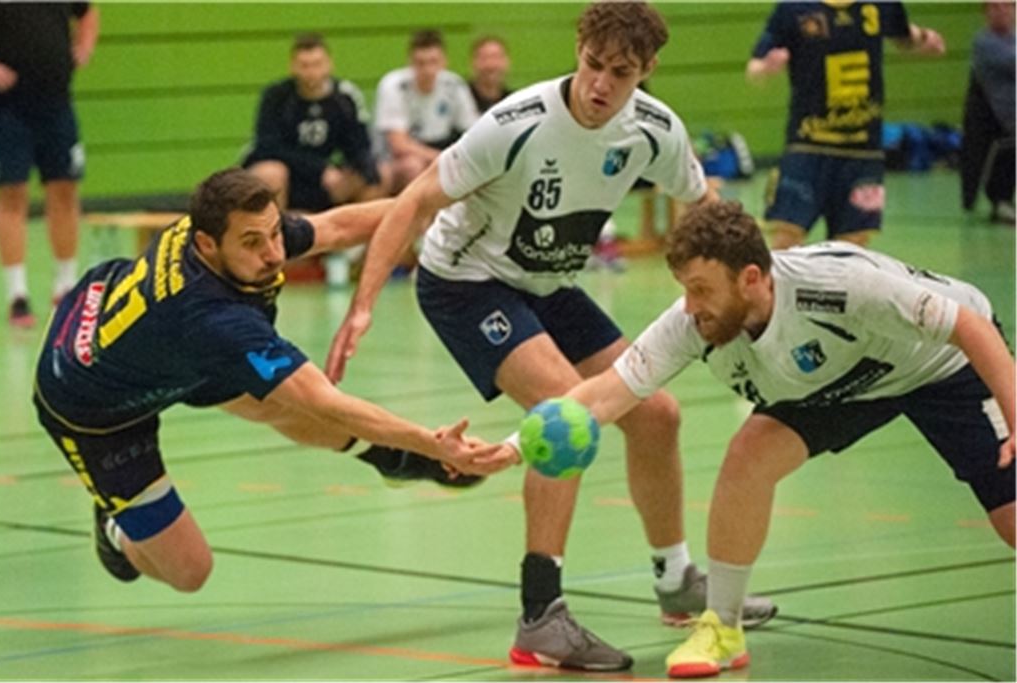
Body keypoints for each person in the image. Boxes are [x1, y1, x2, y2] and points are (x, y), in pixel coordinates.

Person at [328, 2, 775, 671]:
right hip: (466, 282)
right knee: (567, 414)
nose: (600, 85)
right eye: (592, 65)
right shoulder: (517, 124)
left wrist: (741, 287)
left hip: (550, 282)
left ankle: (677, 578)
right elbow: (415, 199)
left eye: (619, 73)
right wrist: (363, 304)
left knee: (655, 413)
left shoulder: (655, 130)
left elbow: (703, 205)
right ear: (578, 50)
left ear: (646, 70)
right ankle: (540, 615)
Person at [558, 199, 1014, 678]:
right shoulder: (696, 318)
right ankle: (723, 629)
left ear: (750, 278)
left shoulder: (840, 288)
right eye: (685, 290)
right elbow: (607, 393)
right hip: (846, 379)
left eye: (700, 289)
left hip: (939, 365)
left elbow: (970, 327)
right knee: (748, 454)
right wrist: (509, 450)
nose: (690, 306)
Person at [32, 168, 515, 593]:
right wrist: (435, 444)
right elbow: (323, 401)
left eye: (273, 235)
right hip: (92, 407)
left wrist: (439, 198)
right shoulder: (212, 320)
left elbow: (338, 226)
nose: (272, 254)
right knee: (189, 572)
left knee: (270, 402)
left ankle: (392, 458)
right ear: (206, 245)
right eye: (252, 243)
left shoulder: (234, 226)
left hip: (139, 335)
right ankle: (116, 527)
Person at [746, 2, 945, 249]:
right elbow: (753, 67)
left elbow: (903, 34)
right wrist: (766, 67)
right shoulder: (793, 9)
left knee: (852, 251)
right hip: (807, 147)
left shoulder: (882, 5)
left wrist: (925, 39)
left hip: (863, 153)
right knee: (786, 241)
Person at [0, 2, 99, 327]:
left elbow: (87, 11)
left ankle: (66, 286)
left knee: (65, 190)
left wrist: (83, 47)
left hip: (56, 104)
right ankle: (18, 295)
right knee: (12, 195)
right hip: (5, 109)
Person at [243, 33, 382, 212]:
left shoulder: (345, 97)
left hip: (327, 181)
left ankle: (361, 235)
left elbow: (359, 144)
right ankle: (276, 232)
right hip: (290, 176)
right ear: (292, 67)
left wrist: (357, 169)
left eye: (317, 65)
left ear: (329, 64)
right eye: (304, 66)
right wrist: (320, 170)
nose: (311, 73)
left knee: (375, 176)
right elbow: (267, 146)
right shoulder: (276, 96)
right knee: (271, 173)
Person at [374, 30, 479, 195]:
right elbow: (399, 145)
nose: (428, 70)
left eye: (433, 62)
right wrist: (441, 159)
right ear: (410, 62)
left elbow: (473, 131)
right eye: (420, 63)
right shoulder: (394, 86)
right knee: (413, 167)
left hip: (440, 148)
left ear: (444, 61)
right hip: (397, 159)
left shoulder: (454, 85)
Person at [960, 1, 1015, 223]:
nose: (1002, 11)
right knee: (1007, 151)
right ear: (985, 12)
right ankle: (1000, 200)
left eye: (1008, 6)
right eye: (995, 6)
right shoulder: (984, 43)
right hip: (1000, 118)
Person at [468, 36, 513, 113]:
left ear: (507, 63)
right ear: (473, 63)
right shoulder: (460, 99)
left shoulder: (513, 101)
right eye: (484, 58)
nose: (491, 65)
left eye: (496, 58)